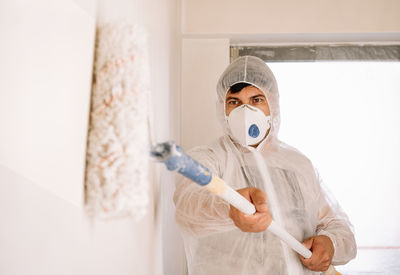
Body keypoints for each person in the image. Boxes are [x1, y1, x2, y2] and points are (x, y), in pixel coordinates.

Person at [174, 56, 356, 274]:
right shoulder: (210, 159)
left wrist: (330, 243)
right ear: (222, 108)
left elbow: (337, 227)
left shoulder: (298, 165)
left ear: (274, 103)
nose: (245, 111)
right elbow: (188, 207)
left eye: (256, 100)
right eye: (234, 102)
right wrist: (230, 210)